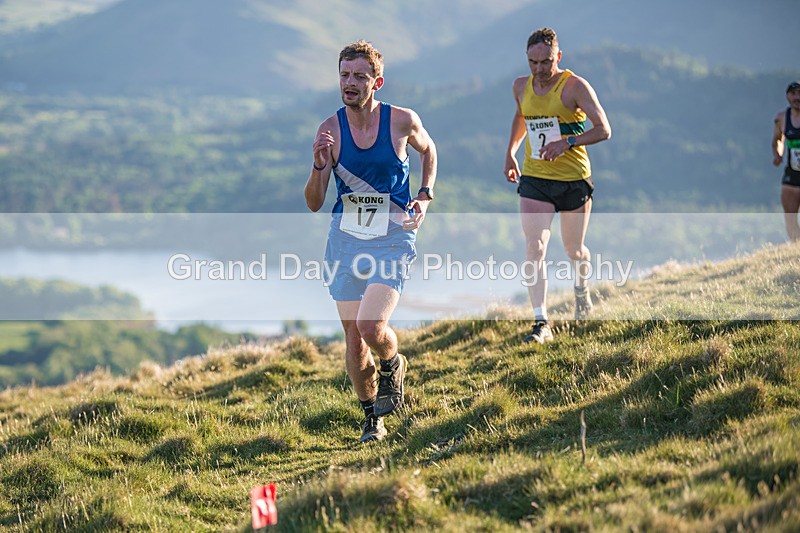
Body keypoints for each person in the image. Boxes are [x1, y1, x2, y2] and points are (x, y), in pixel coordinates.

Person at [304, 40, 437, 443]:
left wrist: (425, 195)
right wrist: (318, 165)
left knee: (370, 325)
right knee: (352, 336)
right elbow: (313, 203)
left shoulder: (401, 121)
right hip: (345, 241)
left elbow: (429, 150)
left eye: (360, 76)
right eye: (345, 75)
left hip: (392, 238)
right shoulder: (329, 131)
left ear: (376, 82)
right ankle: (371, 419)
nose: (350, 82)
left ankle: (393, 361)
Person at [503, 28, 611, 344]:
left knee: (573, 249)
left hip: (573, 180)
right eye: (533, 62)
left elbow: (604, 129)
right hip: (535, 178)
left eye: (546, 62)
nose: (539, 69)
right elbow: (522, 117)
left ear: (558, 57)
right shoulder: (520, 86)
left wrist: (568, 142)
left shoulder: (575, 87)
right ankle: (541, 322)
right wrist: (510, 152)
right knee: (534, 246)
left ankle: (581, 290)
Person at [772, 81, 800, 242]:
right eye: (793, 94)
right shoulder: (781, 118)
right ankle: (796, 250)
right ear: (788, 96)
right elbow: (777, 140)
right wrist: (778, 154)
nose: (797, 98)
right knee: (790, 218)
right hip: (791, 174)